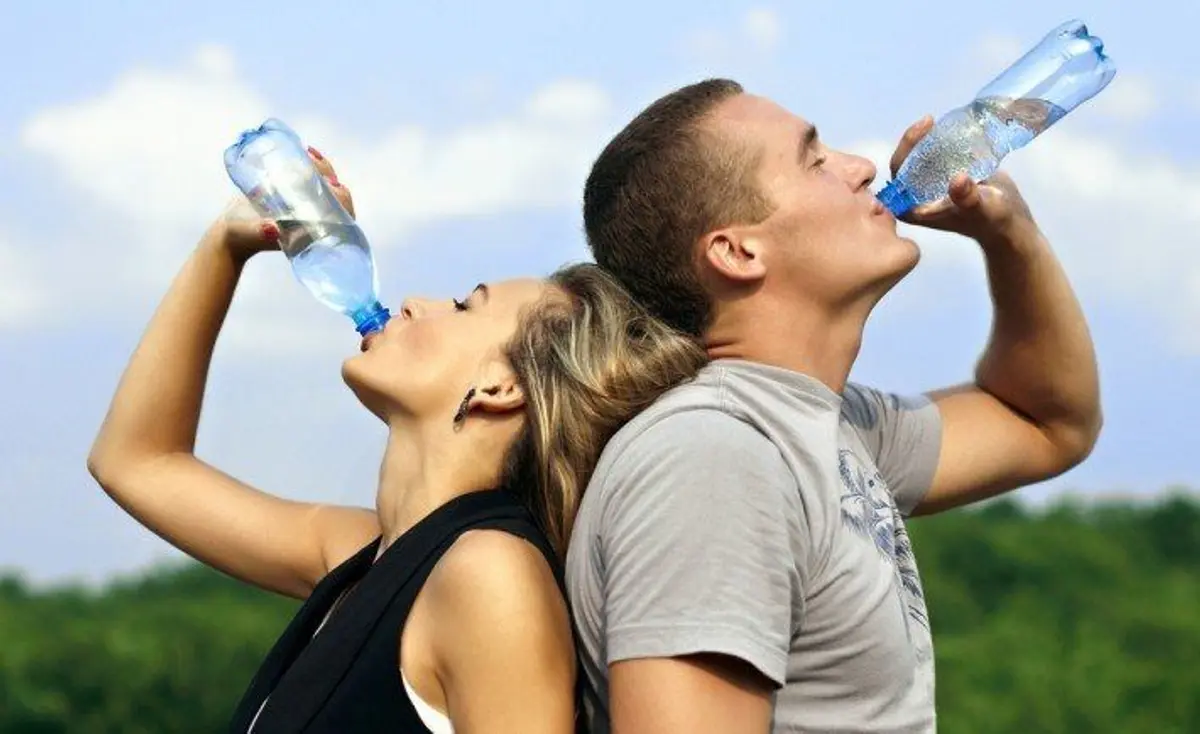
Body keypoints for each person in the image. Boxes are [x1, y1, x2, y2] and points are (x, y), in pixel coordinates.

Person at [86, 151, 706, 733]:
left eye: (464, 306)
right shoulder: (363, 556)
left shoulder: (490, 576)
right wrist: (226, 245)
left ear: (501, 387)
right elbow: (135, 461)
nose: (414, 303)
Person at [567, 78, 1103, 733]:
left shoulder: (825, 427)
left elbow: (1048, 424)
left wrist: (1010, 236)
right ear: (737, 252)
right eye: (814, 160)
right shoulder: (714, 460)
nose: (863, 168)